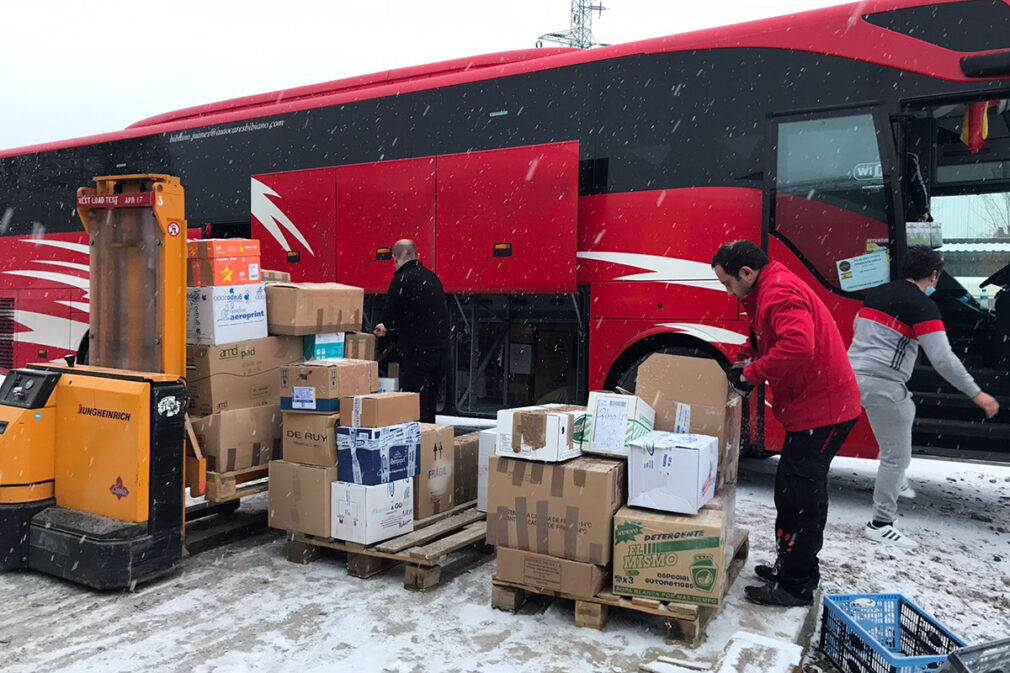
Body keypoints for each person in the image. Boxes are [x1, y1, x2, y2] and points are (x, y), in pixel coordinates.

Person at [711, 240, 862, 607]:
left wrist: (753, 374)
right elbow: (771, 339)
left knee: (799, 496)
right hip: (816, 408)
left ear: (747, 273)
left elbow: (798, 345)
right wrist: (744, 358)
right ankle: (794, 567)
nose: (728, 291)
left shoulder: (778, 291)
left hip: (823, 411)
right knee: (795, 492)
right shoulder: (765, 290)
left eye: (728, 283)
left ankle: (795, 585)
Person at [848, 246, 999, 548]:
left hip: (852, 376)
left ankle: (895, 474)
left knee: (903, 420)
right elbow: (943, 359)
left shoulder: (877, 294)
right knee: (895, 453)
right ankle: (881, 522)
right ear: (934, 275)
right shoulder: (922, 306)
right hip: (884, 383)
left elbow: (858, 328)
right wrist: (977, 393)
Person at [373, 239, 450, 423]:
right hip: (441, 351)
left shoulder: (400, 280)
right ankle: (430, 441)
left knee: (414, 405)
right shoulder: (433, 278)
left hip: (417, 353)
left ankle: (418, 446)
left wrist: (383, 327)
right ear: (417, 255)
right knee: (430, 404)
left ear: (395, 258)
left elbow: (389, 316)